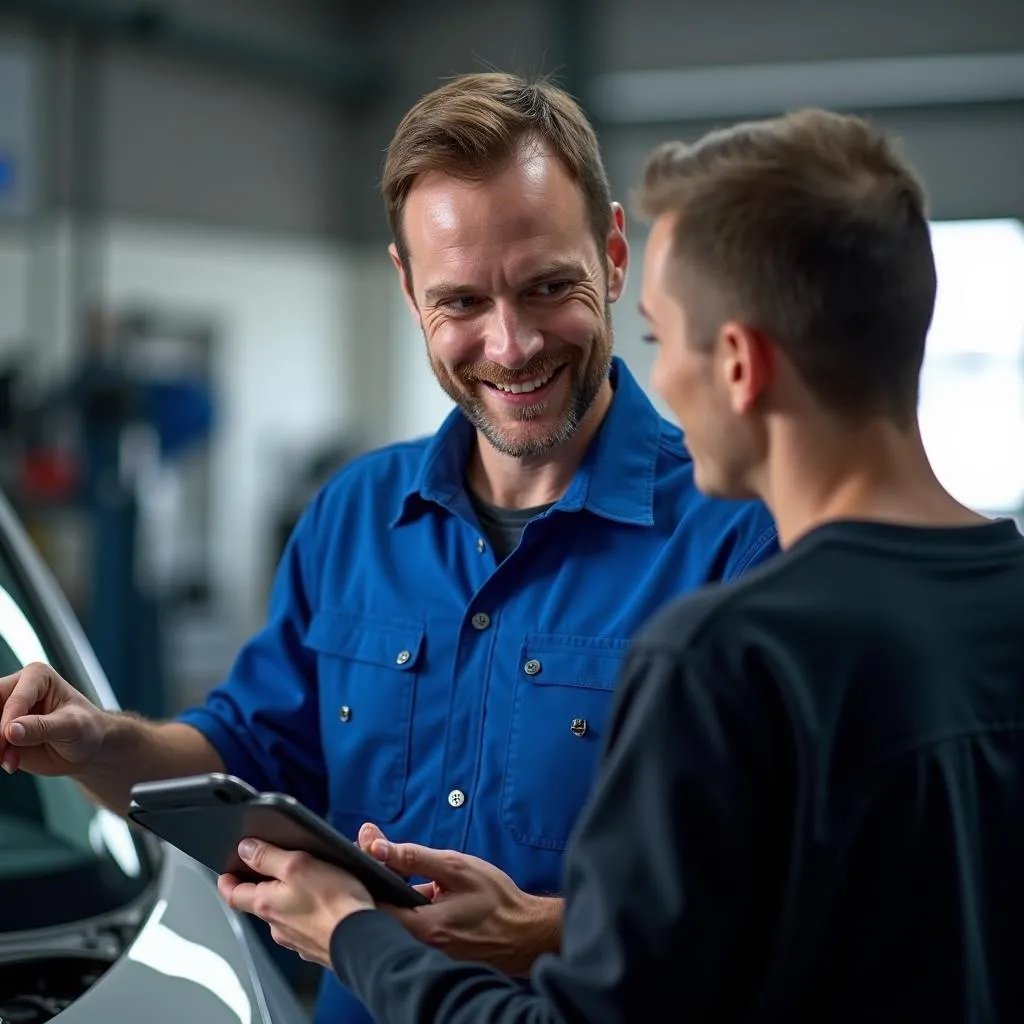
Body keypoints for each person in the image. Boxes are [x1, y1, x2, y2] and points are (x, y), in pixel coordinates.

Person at [216, 107, 1024, 1022]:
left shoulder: (726, 649)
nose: (658, 379)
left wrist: (355, 935)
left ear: (737, 364)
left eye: (658, 333)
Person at [0, 73, 777, 1024]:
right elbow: (240, 756)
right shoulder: (354, 516)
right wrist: (97, 744)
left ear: (614, 256)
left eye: (547, 286)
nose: (512, 344)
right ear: (409, 289)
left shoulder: (741, 535)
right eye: (461, 302)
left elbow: (785, 899)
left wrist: (544, 930)